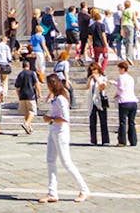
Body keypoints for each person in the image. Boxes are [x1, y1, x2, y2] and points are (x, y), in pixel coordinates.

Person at [40, 73, 89, 203]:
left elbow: (64, 118)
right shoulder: (56, 97)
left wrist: (49, 118)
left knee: (66, 162)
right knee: (50, 161)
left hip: (61, 132)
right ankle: (52, 192)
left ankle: (84, 189)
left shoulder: (61, 99)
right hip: (53, 130)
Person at [114, 60, 138, 147]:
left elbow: (121, 89)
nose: (119, 70)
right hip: (133, 101)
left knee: (123, 122)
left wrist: (116, 94)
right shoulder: (131, 78)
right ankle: (133, 140)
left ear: (123, 69)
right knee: (131, 122)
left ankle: (122, 141)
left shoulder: (121, 77)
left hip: (124, 101)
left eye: (119, 69)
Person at [14, 57, 40, 135]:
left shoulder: (20, 74)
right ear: (29, 66)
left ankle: (29, 128)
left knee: (26, 112)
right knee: (32, 111)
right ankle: (26, 124)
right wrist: (39, 92)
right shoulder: (32, 73)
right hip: (30, 94)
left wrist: (18, 95)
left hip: (22, 95)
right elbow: (36, 83)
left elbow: (17, 87)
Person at [86, 62, 109, 146]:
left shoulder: (103, 78)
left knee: (103, 121)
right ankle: (93, 140)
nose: (93, 71)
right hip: (92, 102)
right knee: (92, 122)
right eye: (91, 70)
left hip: (100, 101)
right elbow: (87, 87)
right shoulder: (91, 78)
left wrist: (97, 79)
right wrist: (90, 79)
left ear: (98, 69)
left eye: (94, 69)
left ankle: (105, 140)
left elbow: (102, 87)